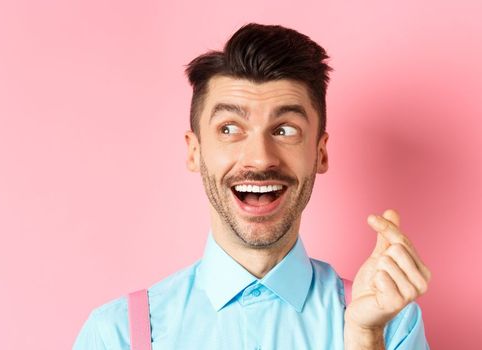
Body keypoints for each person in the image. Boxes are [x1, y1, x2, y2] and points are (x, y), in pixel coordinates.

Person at [72, 23, 431, 350]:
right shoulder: (116, 333)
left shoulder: (392, 324)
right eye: (229, 129)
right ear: (195, 151)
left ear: (320, 154)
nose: (260, 159)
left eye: (285, 129)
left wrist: (365, 339)